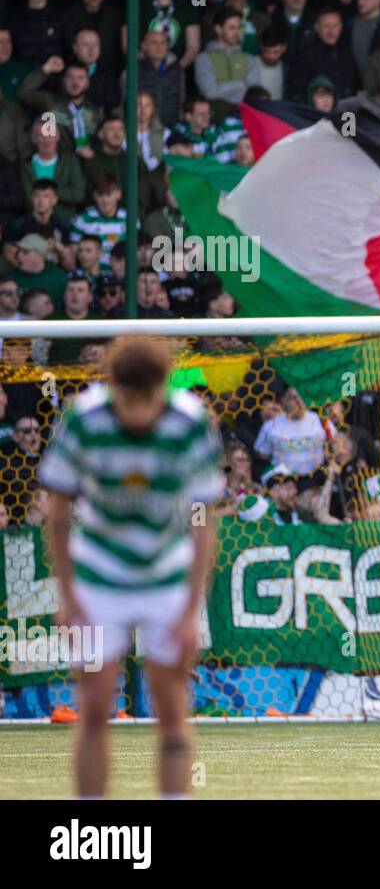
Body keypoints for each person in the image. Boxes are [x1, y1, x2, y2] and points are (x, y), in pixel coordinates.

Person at [40, 336, 223, 798]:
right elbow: (58, 513)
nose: (140, 412)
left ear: (164, 387)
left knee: (171, 707)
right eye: (130, 399)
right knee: (95, 704)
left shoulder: (190, 422)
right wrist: (70, 595)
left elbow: (203, 520)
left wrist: (189, 607)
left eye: (149, 399)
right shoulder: (82, 420)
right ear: (112, 385)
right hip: (99, 575)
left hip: (166, 576)